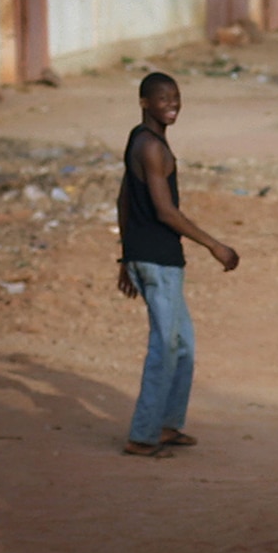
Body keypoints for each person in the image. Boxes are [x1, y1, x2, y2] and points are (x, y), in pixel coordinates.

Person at [115, 72, 239, 458]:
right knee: (165, 346)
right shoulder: (151, 147)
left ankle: (167, 425)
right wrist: (215, 246)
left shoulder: (143, 140)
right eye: (163, 98)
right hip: (157, 260)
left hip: (151, 256)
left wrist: (124, 257)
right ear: (144, 103)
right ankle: (142, 436)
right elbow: (166, 212)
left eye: (176, 97)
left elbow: (123, 198)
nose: (172, 104)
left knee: (183, 345)